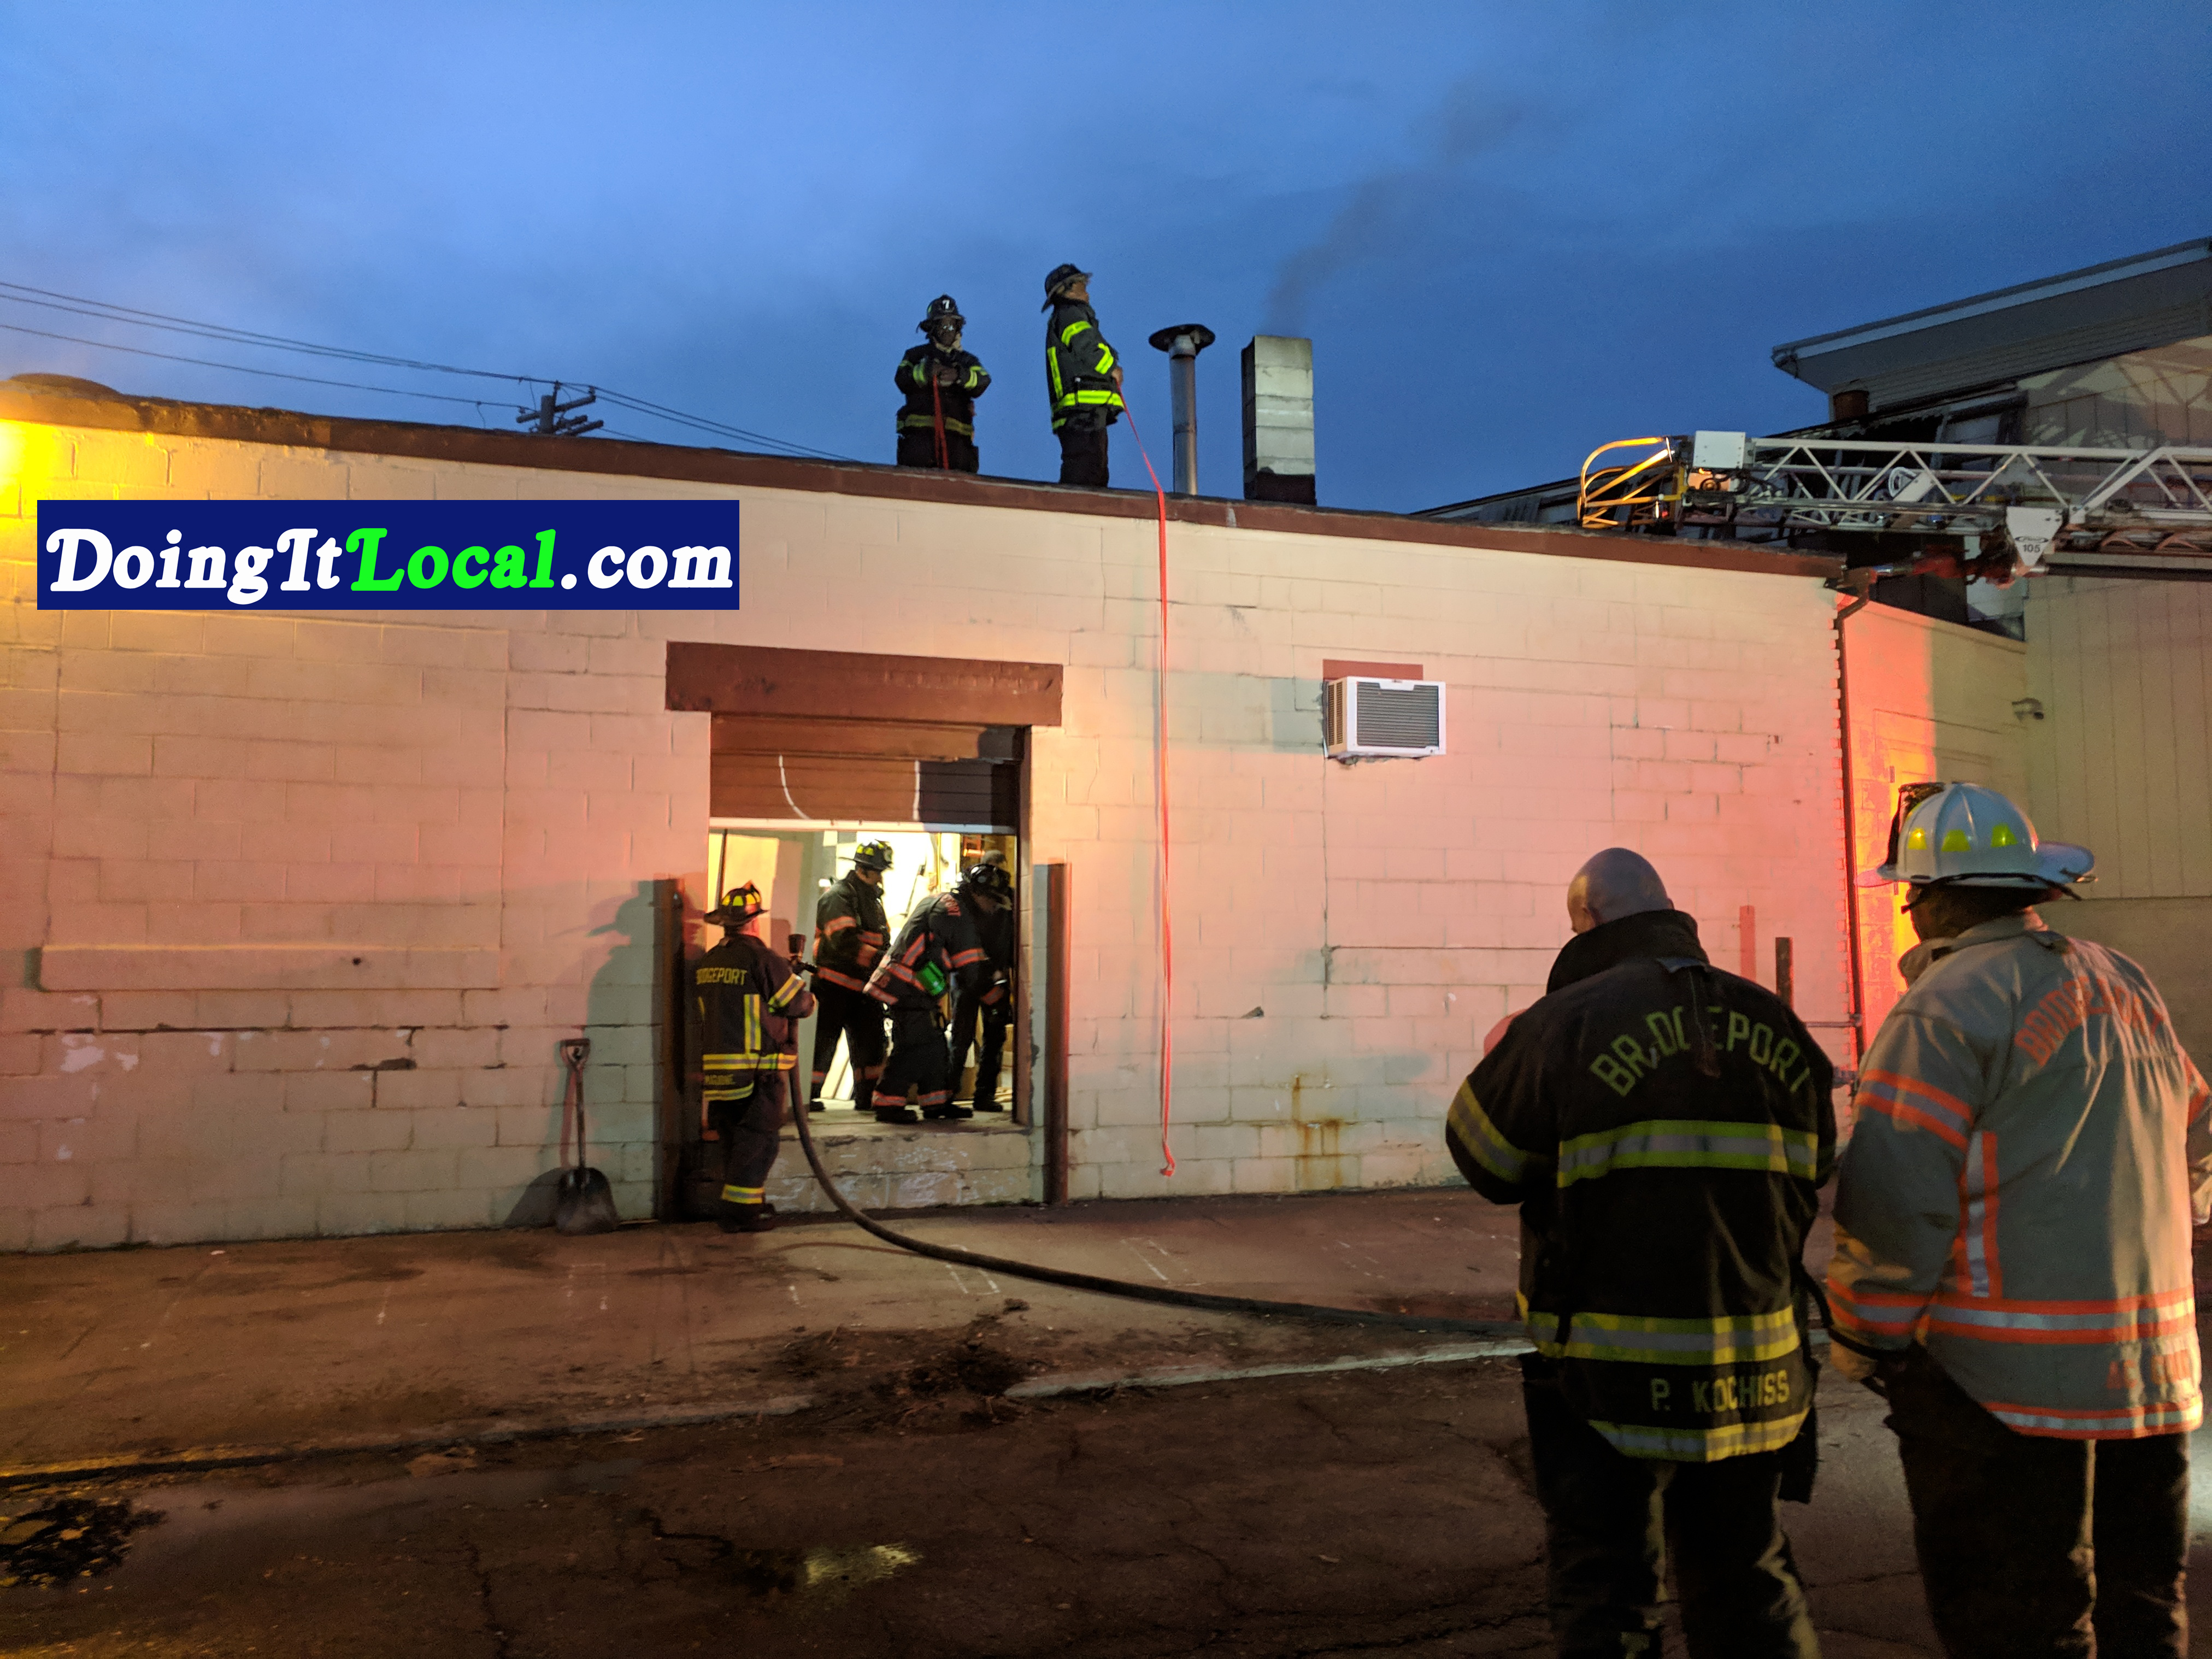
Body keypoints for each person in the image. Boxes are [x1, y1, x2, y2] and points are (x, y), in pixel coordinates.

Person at [1826, 782, 2211, 1658]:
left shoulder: (1943, 1007)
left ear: (1930, 898)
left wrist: (1866, 1331)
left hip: (1997, 1391)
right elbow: (2193, 1130)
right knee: (2146, 1612)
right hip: (2153, 1376)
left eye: (1910, 893)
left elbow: (1896, 1195)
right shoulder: (2124, 981)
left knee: (2020, 1627)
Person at [1446, 847, 1832, 1658]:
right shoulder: (1776, 1024)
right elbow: (1816, 1167)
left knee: (1609, 1593)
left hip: (1607, 1377)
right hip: (1757, 1373)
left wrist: (1505, 1060)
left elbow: (1485, 1162)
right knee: (1750, 1584)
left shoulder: (1562, 1024)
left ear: (1587, 922)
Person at [689, 882, 815, 1234]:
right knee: (759, 1143)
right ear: (755, 921)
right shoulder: (763, 959)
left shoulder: (709, 961)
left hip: (719, 1075)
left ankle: (746, 1204)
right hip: (759, 1071)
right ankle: (741, 1214)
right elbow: (796, 1004)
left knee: (734, 1141)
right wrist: (807, 994)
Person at [864, 863, 1001, 1123]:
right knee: (914, 1046)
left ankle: (936, 1103)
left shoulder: (944, 902)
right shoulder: (956, 913)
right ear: (978, 893)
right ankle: (887, 1105)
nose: (993, 907)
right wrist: (996, 1000)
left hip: (909, 985)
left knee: (936, 1045)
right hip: (908, 987)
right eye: (992, 900)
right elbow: (970, 969)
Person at [808, 840, 895, 1111]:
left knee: (872, 1045)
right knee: (823, 1044)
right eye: (878, 871)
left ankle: (867, 1097)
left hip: (864, 989)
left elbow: (880, 938)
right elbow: (843, 942)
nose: (880, 877)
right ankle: (807, 1097)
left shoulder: (871, 899)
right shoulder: (839, 897)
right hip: (833, 988)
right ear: (863, 869)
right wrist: (881, 961)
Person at [1042, 263, 1123, 487]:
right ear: (1067, 291)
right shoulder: (1071, 313)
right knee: (1085, 470)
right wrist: (1112, 368)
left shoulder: (1069, 315)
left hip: (1086, 412)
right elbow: (1085, 346)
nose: (1087, 292)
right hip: (1082, 412)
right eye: (1081, 286)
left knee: (1094, 469)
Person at [947, 854, 1015, 1111]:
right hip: (967, 975)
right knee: (962, 1037)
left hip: (996, 975)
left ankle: (984, 1095)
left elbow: (1012, 933)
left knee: (995, 1035)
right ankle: (947, 1096)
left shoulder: (1007, 898)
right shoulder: (963, 902)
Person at [895, 295, 990, 472]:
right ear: (932, 328)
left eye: (951, 325)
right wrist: (925, 372)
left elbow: (983, 381)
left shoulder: (967, 361)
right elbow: (901, 379)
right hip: (918, 447)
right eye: (942, 325)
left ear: (958, 328)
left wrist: (960, 375)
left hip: (959, 449)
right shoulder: (915, 356)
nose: (947, 330)